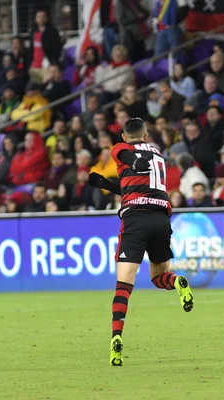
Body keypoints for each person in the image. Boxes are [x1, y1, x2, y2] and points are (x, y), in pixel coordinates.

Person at [86, 117, 194, 366]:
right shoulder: (157, 153)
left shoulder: (121, 148)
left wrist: (132, 160)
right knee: (159, 277)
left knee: (123, 285)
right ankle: (178, 281)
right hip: (160, 219)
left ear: (125, 136)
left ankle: (116, 340)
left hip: (136, 219)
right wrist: (107, 185)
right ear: (146, 136)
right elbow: (140, 186)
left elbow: (124, 156)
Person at [28, 10, 62, 84]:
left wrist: (53, 63)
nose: (41, 19)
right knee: (35, 87)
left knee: (46, 86)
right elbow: (31, 49)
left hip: (47, 66)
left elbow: (56, 49)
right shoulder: (33, 32)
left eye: (43, 17)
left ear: (47, 18)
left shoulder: (52, 32)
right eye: (38, 17)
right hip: (35, 66)